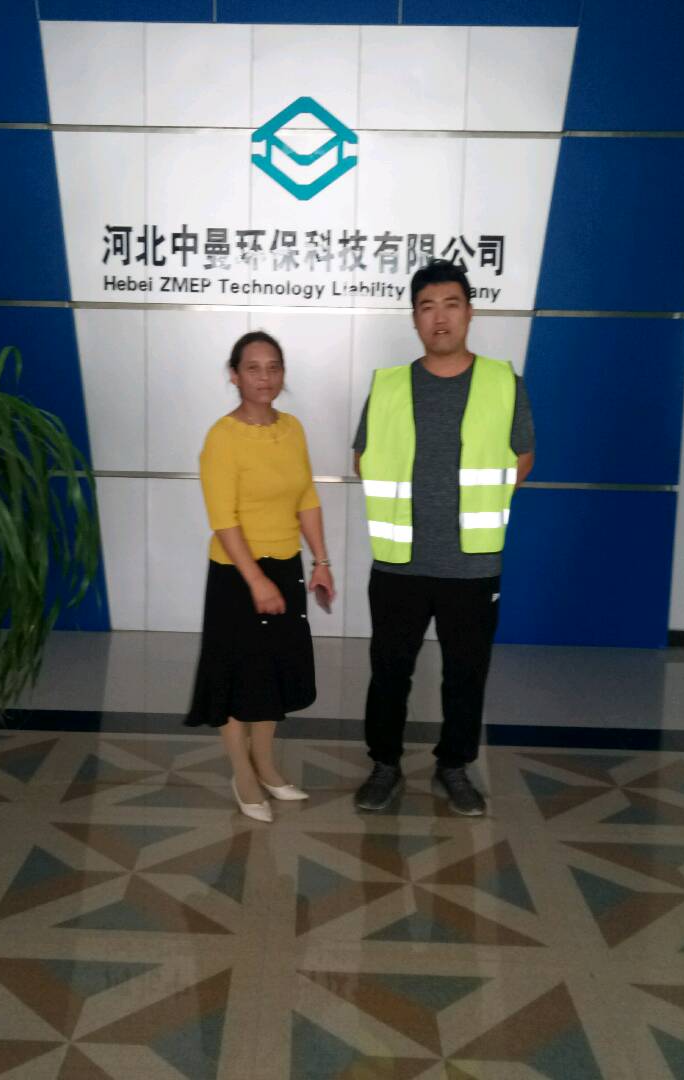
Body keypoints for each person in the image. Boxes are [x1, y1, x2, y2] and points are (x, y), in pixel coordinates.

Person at [351, 260, 535, 816]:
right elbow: (362, 457)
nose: (440, 317)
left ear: (469, 313)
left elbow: (523, 456)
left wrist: (475, 502)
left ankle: (453, 765)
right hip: (399, 563)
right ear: (414, 318)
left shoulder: (504, 383)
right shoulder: (388, 386)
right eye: (427, 307)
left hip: (472, 565)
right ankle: (385, 765)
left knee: (466, 675)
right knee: (389, 673)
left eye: (451, 304)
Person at [186, 330, 336, 822]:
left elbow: (306, 497)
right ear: (234, 376)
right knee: (238, 678)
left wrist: (321, 561)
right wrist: (256, 580)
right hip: (237, 574)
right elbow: (223, 519)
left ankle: (267, 766)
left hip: (285, 566)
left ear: (282, 374)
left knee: (272, 673)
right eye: (252, 368)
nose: (264, 377)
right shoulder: (222, 437)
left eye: (273, 367)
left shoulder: (292, 429)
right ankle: (243, 776)